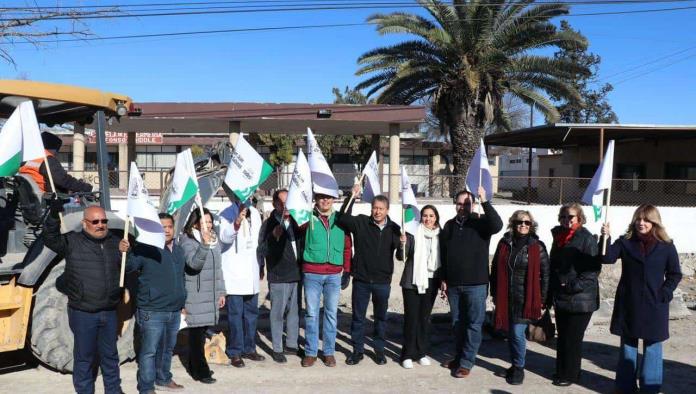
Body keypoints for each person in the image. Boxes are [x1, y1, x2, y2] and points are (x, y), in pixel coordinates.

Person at [600, 205, 682, 394]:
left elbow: (675, 273)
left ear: (654, 223)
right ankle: (625, 387)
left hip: (655, 305)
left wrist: (666, 292)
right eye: (638, 219)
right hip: (629, 304)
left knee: (653, 348)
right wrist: (606, 237)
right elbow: (607, 258)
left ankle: (650, 388)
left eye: (646, 220)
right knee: (628, 347)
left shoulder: (666, 246)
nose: (641, 223)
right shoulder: (625, 242)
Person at [43, 201, 123, 394]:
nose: (100, 225)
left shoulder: (114, 242)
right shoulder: (72, 241)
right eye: (95, 221)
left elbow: (126, 267)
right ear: (85, 222)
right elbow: (50, 238)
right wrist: (54, 215)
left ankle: (113, 390)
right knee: (84, 358)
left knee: (111, 357)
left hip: (109, 312)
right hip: (83, 313)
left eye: (104, 221)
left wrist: (127, 251)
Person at [122, 213, 193, 394]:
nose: (166, 230)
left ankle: (163, 378)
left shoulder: (178, 251)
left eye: (169, 226)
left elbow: (181, 278)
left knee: (167, 349)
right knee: (149, 351)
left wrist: (182, 302)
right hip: (152, 310)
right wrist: (126, 251)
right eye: (162, 227)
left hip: (174, 310)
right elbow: (129, 267)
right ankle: (146, 387)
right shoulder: (145, 249)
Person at [440, 186, 503, 378]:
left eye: (467, 204)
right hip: (454, 285)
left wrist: (485, 202)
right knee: (457, 324)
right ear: (455, 205)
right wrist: (443, 278)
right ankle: (459, 357)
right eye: (459, 204)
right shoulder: (449, 226)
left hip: (476, 285)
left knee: (474, 325)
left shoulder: (481, 223)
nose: (462, 207)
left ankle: (467, 362)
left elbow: (497, 225)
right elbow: (444, 254)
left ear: (472, 205)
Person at [339, 185, 402, 366]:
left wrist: (403, 243)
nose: (377, 212)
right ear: (371, 208)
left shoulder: (395, 229)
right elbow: (342, 218)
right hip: (362, 280)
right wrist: (352, 196)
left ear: (387, 210)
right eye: (375, 208)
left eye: (381, 209)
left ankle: (379, 351)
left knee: (380, 318)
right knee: (358, 318)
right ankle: (357, 351)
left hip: (382, 282)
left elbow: (400, 256)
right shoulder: (360, 222)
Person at [490, 210, 550, 385]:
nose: (523, 225)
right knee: (510, 333)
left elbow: (545, 275)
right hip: (505, 297)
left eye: (526, 222)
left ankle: (519, 368)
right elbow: (495, 270)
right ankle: (514, 365)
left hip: (526, 299)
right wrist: (494, 293)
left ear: (531, 225)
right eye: (519, 222)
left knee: (517, 334)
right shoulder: (504, 243)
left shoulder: (537, 247)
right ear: (513, 224)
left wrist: (543, 299)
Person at [547, 203, 600, 387]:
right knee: (562, 336)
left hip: (580, 298)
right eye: (563, 217)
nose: (566, 220)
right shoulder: (560, 238)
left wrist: (570, 285)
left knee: (572, 338)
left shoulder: (586, 239)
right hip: (562, 296)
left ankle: (570, 375)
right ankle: (562, 371)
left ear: (579, 218)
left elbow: (592, 272)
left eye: (571, 217)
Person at [300, 191, 352, 368]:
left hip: (334, 274)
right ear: (315, 199)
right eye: (322, 197)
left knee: (331, 314)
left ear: (333, 200)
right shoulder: (308, 217)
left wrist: (347, 270)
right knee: (312, 313)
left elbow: (347, 246)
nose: (325, 200)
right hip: (312, 273)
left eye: (328, 197)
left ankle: (328, 352)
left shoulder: (340, 219)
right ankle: (310, 352)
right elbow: (297, 228)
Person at [180, 208, 226, 384]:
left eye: (210, 221)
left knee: (200, 332)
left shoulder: (214, 239)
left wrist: (222, 291)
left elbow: (218, 269)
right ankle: (201, 370)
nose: (208, 225)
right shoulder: (188, 241)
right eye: (204, 222)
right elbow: (194, 264)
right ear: (195, 223)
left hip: (211, 293)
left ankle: (195, 366)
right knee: (196, 334)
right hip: (196, 294)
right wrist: (204, 245)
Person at [258, 189, 303, 363]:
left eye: (287, 202)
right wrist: (272, 237)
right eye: (281, 202)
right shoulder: (268, 224)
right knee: (277, 313)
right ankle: (277, 348)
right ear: (274, 204)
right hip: (278, 275)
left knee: (293, 312)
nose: (285, 206)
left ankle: (292, 344)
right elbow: (261, 250)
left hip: (296, 274)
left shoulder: (296, 222)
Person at [219, 199, 265, 367]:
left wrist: (262, 265)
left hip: (251, 273)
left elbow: (259, 241)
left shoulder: (255, 213)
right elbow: (224, 237)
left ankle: (249, 348)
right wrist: (236, 223)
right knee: (235, 315)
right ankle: (235, 351)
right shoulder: (225, 213)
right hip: (234, 274)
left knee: (252, 315)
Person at [397, 205, 442, 369]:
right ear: (420, 217)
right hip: (412, 282)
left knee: (424, 319)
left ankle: (421, 352)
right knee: (411, 319)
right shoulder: (412, 233)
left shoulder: (440, 235)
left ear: (436, 217)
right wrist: (402, 243)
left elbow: (443, 259)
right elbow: (401, 256)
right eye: (425, 215)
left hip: (432, 281)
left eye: (431, 215)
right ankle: (407, 354)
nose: (428, 219)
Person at [19, 131, 92, 193]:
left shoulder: (28, 157)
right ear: (52, 148)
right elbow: (63, 180)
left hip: (33, 196)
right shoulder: (47, 159)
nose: (57, 153)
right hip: (47, 198)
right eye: (57, 150)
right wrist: (87, 188)